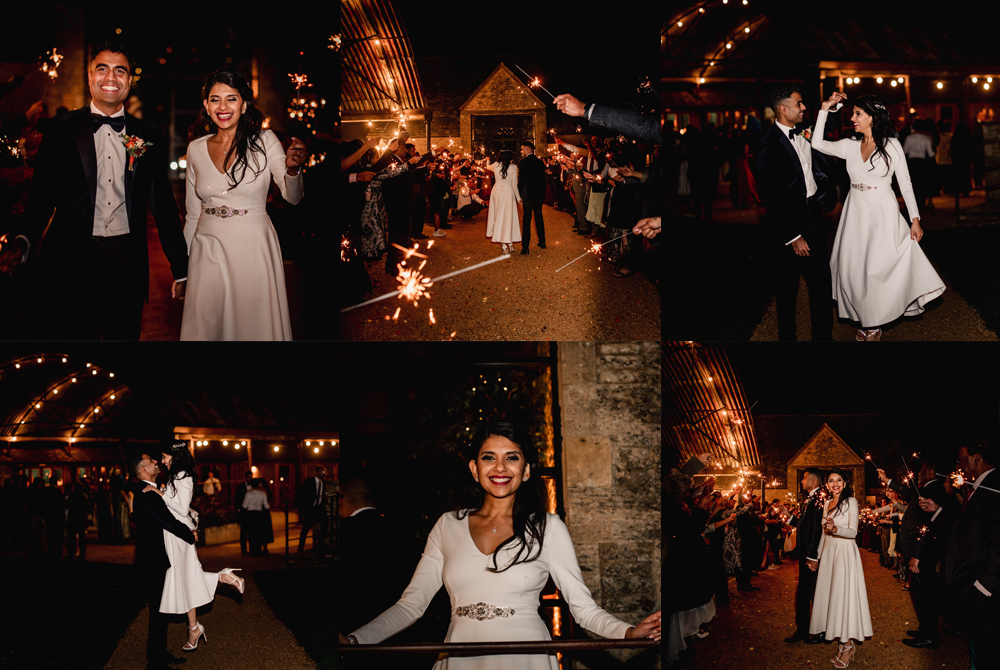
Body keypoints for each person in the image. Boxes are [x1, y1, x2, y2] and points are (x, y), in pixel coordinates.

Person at [339, 421, 661, 668]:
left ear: (526, 471)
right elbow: (411, 605)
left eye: (512, 458)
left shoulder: (548, 528)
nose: (500, 467)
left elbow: (583, 609)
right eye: (489, 457)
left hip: (526, 657)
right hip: (461, 656)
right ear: (474, 469)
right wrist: (356, 639)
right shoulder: (447, 525)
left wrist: (628, 633)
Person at [0, 41, 188, 339]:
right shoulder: (59, 129)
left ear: (129, 80)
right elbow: (42, 197)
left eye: (120, 71)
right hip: (71, 258)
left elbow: (162, 204)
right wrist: (22, 240)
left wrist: (181, 265)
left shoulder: (147, 135)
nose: (110, 78)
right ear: (90, 77)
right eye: (102, 69)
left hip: (127, 260)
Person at [179, 69, 306, 340]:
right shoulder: (195, 148)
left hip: (252, 245)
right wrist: (181, 269)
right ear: (206, 105)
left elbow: (292, 196)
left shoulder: (265, 140)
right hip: (205, 248)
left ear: (244, 104)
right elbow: (192, 214)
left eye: (231, 98)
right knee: (205, 325)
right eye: (215, 99)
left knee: (252, 326)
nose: (222, 107)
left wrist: (293, 170)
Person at [811, 91, 946, 341]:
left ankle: (873, 323)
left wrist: (915, 218)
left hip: (883, 211)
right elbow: (817, 144)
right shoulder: (849, 145)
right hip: (855, 211)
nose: (852, 118)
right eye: (852, 113)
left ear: (872, 117)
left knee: (877, 267)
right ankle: (866, 316)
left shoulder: (892, 144)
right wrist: (824, 108)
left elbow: (905, 183)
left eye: (857, 113)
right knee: (854, 268)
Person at [140, 441, 244, 653]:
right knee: (184, 577)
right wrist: (162, 491)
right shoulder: (175, 476)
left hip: (179, 535)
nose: (162, 460)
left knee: (185, 576)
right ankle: (194, 627)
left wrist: (160, 494)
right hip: (173, 533)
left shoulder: (184, 476)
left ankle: (224, 578)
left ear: (174, 456)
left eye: (165, 456)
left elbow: (181, 507)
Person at [755, 86, 838, 341]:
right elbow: (769, 195)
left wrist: (830, 105)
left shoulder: (805, 129)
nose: (803, 108)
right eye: (799, 104)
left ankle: (823, 337)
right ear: (783, 109)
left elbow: (826, 129)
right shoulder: (767, 145)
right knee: (787, 289)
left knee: (821, 285)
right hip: (786, 226)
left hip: (813, 216)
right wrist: (792, 236)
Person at [127, 451, 197, 670]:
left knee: (160, 609)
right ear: (144, 470)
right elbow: (167, 521)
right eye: (151, 461)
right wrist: (190, 534)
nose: (157, 462)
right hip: (155, 559)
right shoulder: (146, 494)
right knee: (159, 609)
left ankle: (157, 653)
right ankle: (156, 662)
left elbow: (174, 511)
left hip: (156, 557)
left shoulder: (151, 491)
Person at [934, 439, 1000, 668]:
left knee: (988, 652)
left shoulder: (993, 487)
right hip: (974, 588)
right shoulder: (978, 489)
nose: (959, 465)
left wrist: (982, 587)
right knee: (979, 648)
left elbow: (997, 542)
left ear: (977, 458)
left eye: (961, 459)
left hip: (987, 593)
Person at [877, 461, 950, 648]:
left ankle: (929, 635)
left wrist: (916, 555)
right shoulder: (925, 489)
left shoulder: (933, 491)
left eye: (922, 471)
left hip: (922, 554)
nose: (918, 474)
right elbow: (909, 494)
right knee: (921, 593)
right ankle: (925, 628)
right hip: (919, 553)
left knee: (926, 595)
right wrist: (888, 481)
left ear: (932, 471)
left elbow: (927, 528)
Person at [809, 469, 873, 668]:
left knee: (843, 597)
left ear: (845, 483)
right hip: (829, 554)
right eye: (831, 481)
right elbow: (823, 534)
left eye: (838, 480)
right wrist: (816, 556)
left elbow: (853, 531)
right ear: (826, 485)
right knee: (832, 598)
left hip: (845, 554)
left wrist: (836, 528)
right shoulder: (827, 503)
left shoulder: (851, 502)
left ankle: (847, 646)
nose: (834, 483)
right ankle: (842, 642)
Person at [785, 468, 826, 644]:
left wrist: (812, 555)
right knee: (804, 591)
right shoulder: (810, 499)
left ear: (814, 481)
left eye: (804, 478)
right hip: (805, 552)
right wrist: (788, 517)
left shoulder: (819, 499)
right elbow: (805, 525)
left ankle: (818, 630)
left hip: (811, 555)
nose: (802, 481)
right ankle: (803, 629)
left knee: (813, 592)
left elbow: (817, 529)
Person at [485, 149, 521, 255]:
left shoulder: (495, 165)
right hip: (508, 193)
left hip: (496, 191)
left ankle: (505, 245)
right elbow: (514, 185)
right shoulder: (514, 167)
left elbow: (487, 167)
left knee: (498, 216)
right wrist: (518, 199)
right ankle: (508, 243)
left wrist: (487, 160)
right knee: (508, 217)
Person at [517, 141, 546, 254]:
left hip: (528, 195)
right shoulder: (540, 162)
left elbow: (521, 180)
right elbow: (543, 180)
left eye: (522, 149)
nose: (521, 151)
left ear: (528, 150)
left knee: (527, 220)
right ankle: (542, 242)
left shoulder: (523, 162)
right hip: (539, 195)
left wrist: (519, 194)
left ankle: (525, 247)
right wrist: (543, 194)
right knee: (539, 217)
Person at [297, 465, 328, 553]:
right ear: (317, 473)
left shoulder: (323, 482)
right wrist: (303, 508)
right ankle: (301, 547)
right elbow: (303, 494)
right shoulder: (309, 482)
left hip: (319, 507)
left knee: (325, 524)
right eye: (322, 472)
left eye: (324, 472)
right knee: (306, 527)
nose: (324, 473)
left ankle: (320, 545)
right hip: (310, 508)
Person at [241, 478, 271, 555]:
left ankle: (252, 550)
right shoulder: (262, 493)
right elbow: (266, 506)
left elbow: (244, 506)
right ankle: (258, 549)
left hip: (250, 514)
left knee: (251, 532)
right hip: (259, 514)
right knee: (258, 532)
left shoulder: (248, 493)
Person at [233, 470, 253, 554]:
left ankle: (252, 548)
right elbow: (236, 498)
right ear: (246, 477)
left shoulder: (254, 486)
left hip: (252, 511)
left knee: (252, 530)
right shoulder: (240, 487)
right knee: (244, 531)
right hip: (244, 511)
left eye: (251, 477)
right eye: (248, 477)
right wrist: (238, 509)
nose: (250, 478)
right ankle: (243, 548)